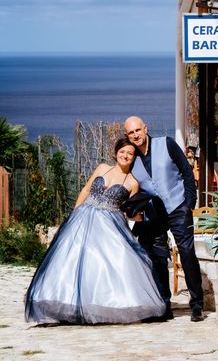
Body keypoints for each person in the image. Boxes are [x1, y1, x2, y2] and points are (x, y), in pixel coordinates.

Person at [25, 137, 166, 325]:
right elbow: (85, 190)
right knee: (72, 260)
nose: (125, 155)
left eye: (130, 154)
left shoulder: (133, 182)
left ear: (134, 158)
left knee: (105, 263)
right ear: (116, 153)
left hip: (110, 223)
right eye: (122, 151)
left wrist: (145, 215)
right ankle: (68, 304)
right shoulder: (101, 168)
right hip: (83, 217)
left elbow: (130, 212)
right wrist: (74, 215)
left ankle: (102, 304)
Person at [123, 116, 205, 322]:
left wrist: (189, 204)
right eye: (131, 133)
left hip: (178, 206)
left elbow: (187, 172)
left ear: (145, 128)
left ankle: (197, 305)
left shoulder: (166, 143)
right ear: (127, 136)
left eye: (138, 130)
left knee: (186, 252)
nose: (135, 135)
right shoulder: (132, 159)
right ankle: (164, 305)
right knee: (158, 257)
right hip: (154, 213)